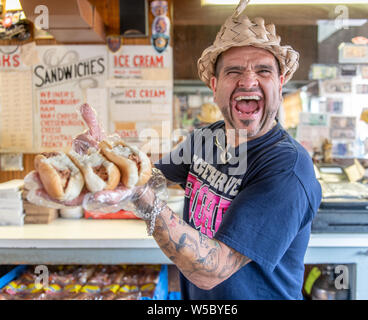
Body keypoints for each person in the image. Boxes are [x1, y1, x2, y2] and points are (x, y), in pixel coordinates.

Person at [132, 0, 322, 300]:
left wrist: (143, 200)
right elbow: (152, 178)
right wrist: (102, 164)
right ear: (214, 85)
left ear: (281, 83)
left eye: (263, 70)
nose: (248, 81)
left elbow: (212, 270)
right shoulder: (206, 138)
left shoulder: (287, 167)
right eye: (234, 71)